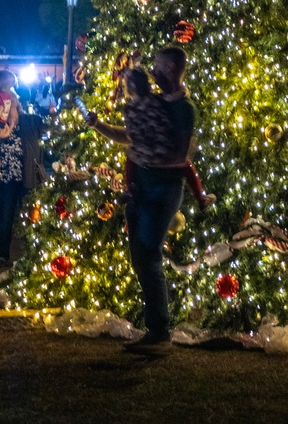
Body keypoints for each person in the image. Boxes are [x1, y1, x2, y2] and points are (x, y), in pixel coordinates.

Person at [89, 46, 197, 350]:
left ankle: (160, 331)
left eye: (160, 68)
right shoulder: (156, 102)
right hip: (140, 189)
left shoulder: (184, 109)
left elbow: (181, 155)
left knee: (148, 255)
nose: (154, 72)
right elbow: (133, 135)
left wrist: (145, 157)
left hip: (162, 191)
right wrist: (100, 126)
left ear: (174, 70)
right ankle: (155, 328)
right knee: (140, 255)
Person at [88, 67, 214, 216]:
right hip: (165, 147)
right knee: (186, 164)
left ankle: (131, 189)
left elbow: (129, 136)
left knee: (131, 157)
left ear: (129, 90)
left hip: (149, 158)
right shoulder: (157, 100)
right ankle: (200, 196)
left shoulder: (131, 109)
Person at [0, 70, 25, 269]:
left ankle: (24, 253)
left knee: (21, 213)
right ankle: (2, 253)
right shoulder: (3, 129)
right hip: (9, 174)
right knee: (5, 215)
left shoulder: (20, 124)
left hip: (21, 172)